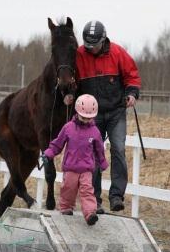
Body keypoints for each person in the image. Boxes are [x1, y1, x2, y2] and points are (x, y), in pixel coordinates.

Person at [76, 20, 141, 214]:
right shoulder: (79, 55)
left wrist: (132, 93)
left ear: (103, 40)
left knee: (118, 149)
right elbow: (71, 79)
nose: (90, 49)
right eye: (87, 45)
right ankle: (94, 200)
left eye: (93, 45)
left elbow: (132, 76)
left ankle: (116, 196)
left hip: (116, 112)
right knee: (93, 154)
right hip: (91, 115)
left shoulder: (118, 53)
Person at [42, 94, 108, 226]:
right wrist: (49, 153)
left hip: (87, 169)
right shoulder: (68, 128)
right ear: (77, 113)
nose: (86, 120)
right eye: (83, 117)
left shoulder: (95, 132)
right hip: (70, 168)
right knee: (68, 189)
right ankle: (66, 208)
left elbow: (99, 149)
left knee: (87, 190)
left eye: (89, 118)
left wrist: (102, 162)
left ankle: (90, 213)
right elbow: (57, 144)